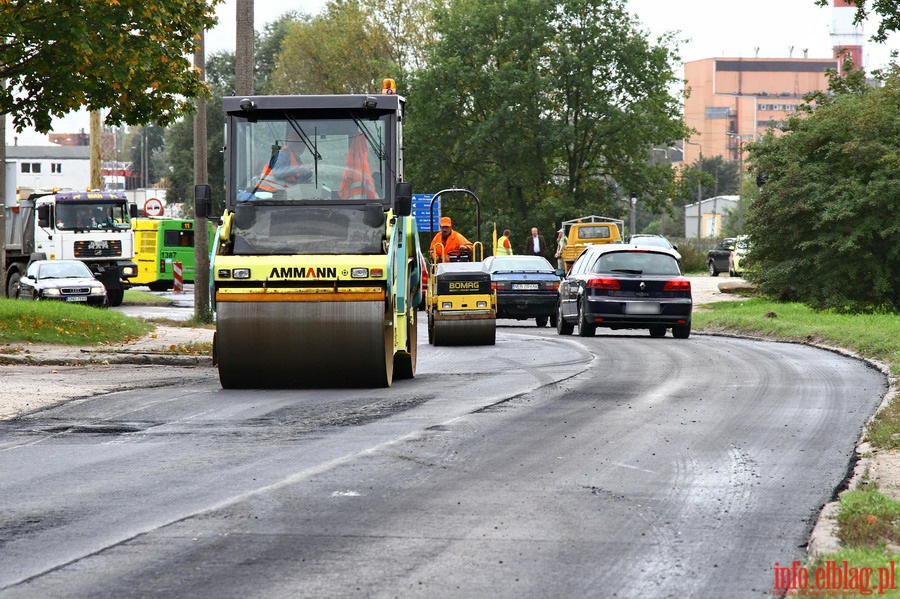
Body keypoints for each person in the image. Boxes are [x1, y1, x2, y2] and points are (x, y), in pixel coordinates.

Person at [255, 127, 313, 194]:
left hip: (280, 192)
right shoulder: (282, 154)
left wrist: (308, 170)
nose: (303, 147)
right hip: (269, 192)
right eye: (302, 144)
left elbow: (298, 177)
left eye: (304, 144)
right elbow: (277, 172)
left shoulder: (295, 158)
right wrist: (299, 168)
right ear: (295, 144)